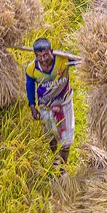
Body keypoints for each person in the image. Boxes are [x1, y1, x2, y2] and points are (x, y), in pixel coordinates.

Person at [25, 37, 79, 169]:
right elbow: (30, 86)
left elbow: (81, 61)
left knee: (67, 140)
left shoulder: (63, 60)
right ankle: (55, 157)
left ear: (52, 51)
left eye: (45, 55)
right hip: (46, 106)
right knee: (51, 135)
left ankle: (62, 168)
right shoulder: (31, 69)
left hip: (64, 101)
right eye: (39, 56)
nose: (43, 59)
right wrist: (33, 106)